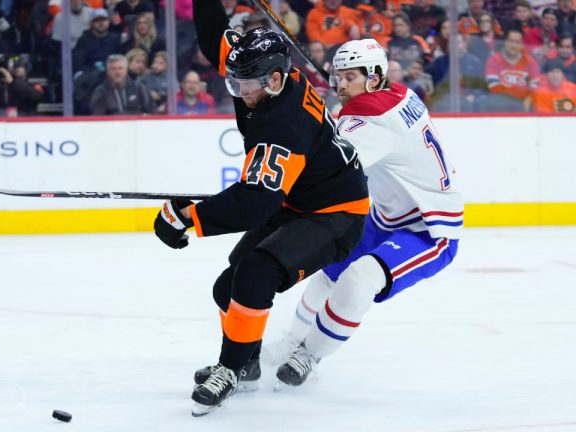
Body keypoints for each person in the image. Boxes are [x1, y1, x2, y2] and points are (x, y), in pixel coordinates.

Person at [153, 0, 370, 416]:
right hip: (298, 200)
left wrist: (185, 219)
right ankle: (247, 362)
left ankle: (231, 371)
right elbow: (216, 36)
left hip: (336, 216)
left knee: (256, 273)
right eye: (233, 83)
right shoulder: (266, 76)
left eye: (245, 84)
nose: (239, 91)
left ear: (273, 79)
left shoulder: (282, 124)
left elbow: (254, 203)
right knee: (227, 289)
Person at [261, 38, 463, 387]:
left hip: (430, 231)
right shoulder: (399, 94)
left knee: (359, 280)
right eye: (338, 76)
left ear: (373, 78)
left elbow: (328, 169)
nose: (340, 85)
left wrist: (266, 187)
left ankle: (309, 354)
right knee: (330, 271)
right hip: (386, 216)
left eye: (349, 77)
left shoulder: (372, 119)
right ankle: (294, 339)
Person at [483, 28, 540, 112]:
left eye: (517, 42)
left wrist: (529, 98)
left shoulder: (531, 62)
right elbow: (494, 88)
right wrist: (517, 99)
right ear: (505, 42)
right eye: (511, 41)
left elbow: (535, 88)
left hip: (524, 104)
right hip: (500, 102)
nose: (513, 45)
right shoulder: (494, 60)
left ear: (522, 45)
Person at [88, 53, 154, 115]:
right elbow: (98, 118)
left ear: (126, 70)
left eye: (120, 68)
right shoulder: (100, 92)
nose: (117, 72)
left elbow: (151, 112)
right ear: (108, 71)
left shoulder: (140, 88)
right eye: (113, 69)